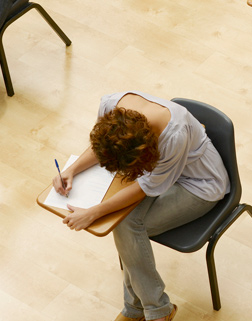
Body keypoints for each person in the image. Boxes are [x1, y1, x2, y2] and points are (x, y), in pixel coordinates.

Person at [53, 92, 230, 321]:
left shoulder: (174, 134)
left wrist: (95, 212)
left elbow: (142, 187)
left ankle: (146, 311)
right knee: (127, 230)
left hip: (200, 184)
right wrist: (71, 170)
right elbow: (104, 146)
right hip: (160, 175)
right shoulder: (110, 105)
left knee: (127, 230)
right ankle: (151, 311)